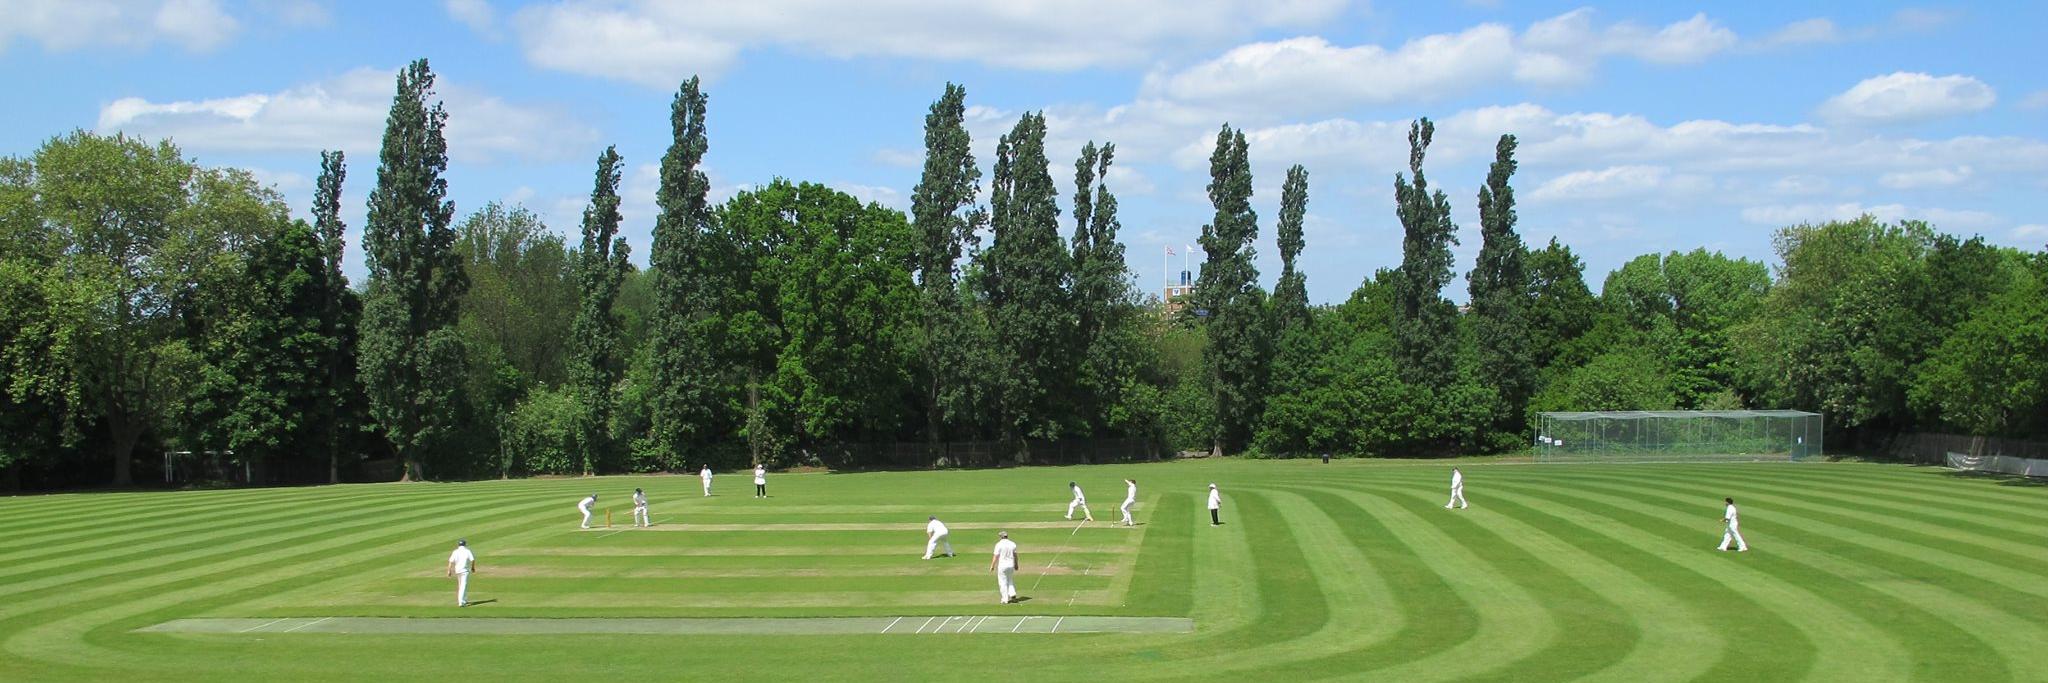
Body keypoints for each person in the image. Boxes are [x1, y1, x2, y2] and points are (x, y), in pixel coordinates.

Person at [990, 531, 1019, 604]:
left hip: (1002, 566)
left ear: (1001, 537)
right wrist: (1016, 564)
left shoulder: (998, 544)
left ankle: (1004, 599)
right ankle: (1012, 594)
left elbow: (995, 556)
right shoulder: (1012, 543)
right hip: (1010, 565)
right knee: (1010, 580)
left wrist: (992, 566)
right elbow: (1015, 555)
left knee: (1002, 582)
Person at [446, 539, 476, 607]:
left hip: (458, 571)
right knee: (463, 586)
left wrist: (449, 571)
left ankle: (464, 600)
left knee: (461, 585)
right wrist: (473, 568)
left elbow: (450, 561)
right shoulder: (467, 551)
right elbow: (472, 560)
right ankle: (461, 602)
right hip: (464, 571)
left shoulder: (455, 552)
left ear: (458, 545)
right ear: (465, 544)